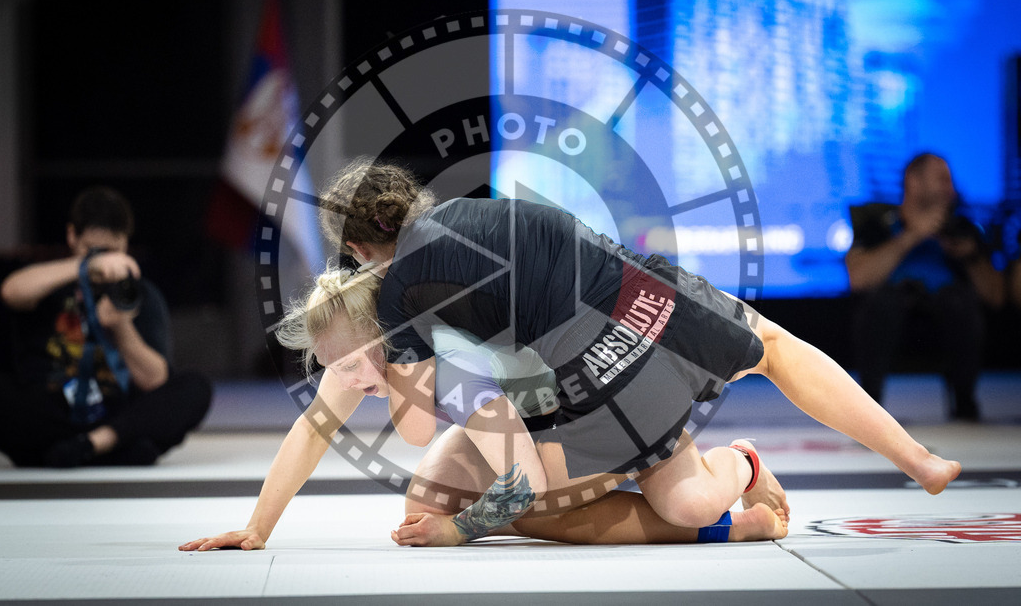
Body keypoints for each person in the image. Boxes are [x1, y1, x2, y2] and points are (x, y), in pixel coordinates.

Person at [318, 157, 960, 547]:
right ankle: (908, 460)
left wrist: (394, 372)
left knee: (519, 496)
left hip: (594, 344)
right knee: (765, 358)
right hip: (621, 304)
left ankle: (759, 472)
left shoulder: (400, 294)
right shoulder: (467, 214)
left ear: (359, 252)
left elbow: (413, 428)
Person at [179, 265, 790, 552]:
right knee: (432, 504)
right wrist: (258, 528)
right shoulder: (366, 349)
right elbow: (312, 431)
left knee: (679, 504)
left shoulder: (448, 360)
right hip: (536, 414)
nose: (340, 382)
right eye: (330, 368)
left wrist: (460, 530)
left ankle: (740, 472)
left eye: (345, 366)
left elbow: (522, 484)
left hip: (611, 400)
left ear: (384, 342)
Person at [0, 186, 212, 467]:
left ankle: (93, 445)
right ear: (72, 236)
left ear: (125, 243)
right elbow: (11, 292)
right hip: (48, 409)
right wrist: (86, 267)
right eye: (92, 250)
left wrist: (121, 327)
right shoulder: (50, 281)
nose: (103, 260)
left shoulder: (140, 295)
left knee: (195, 387)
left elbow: (155, 381)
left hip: (114, 414)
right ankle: (112, 451)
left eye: (110, 251)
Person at [845, 152, 1004, 421]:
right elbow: (858, 279)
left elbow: (996, 298)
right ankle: (869, 410)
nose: (951, 189)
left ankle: (965, 404)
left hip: (947, 313)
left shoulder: (963, 229)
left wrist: (971, 257)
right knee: (882, 303)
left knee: (959, 301)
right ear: (914, 182)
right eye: (942, 179)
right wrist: (912, 235)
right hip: (892, 314)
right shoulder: (879, 225)